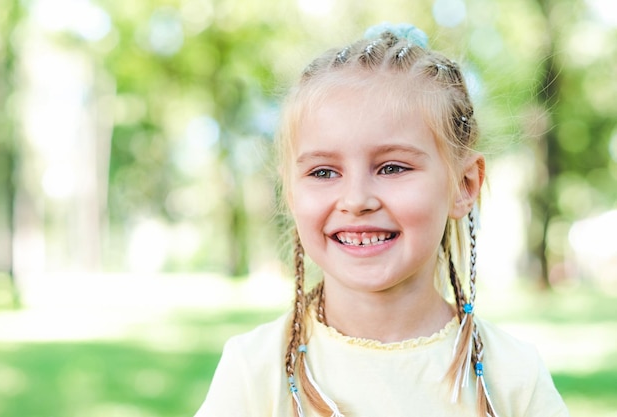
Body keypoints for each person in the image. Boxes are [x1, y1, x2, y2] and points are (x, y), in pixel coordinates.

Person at [195, 22, 569, 417]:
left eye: (392, 167)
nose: (356, 200)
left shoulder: (513, 377)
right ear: (290, 193)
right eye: (323, 172)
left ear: (463, 185)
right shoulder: (254, 372)